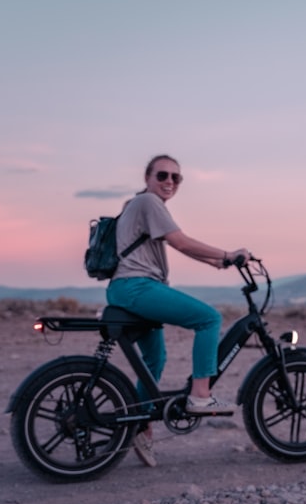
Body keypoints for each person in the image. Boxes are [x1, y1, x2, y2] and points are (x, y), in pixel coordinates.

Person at [107, 154, 251, 467]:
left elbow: (175, 245)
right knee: (209, 318)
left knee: (155, 359)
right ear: (147, 177)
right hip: (137, 287)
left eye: (176, 178)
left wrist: (218, 261)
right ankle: (200, 396)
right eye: (163, 175)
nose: (169, 182)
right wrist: (229, 253)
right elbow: (182, 243)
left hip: (127, 288)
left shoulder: (142, 206)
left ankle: (139, 425)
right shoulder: (149, 202)